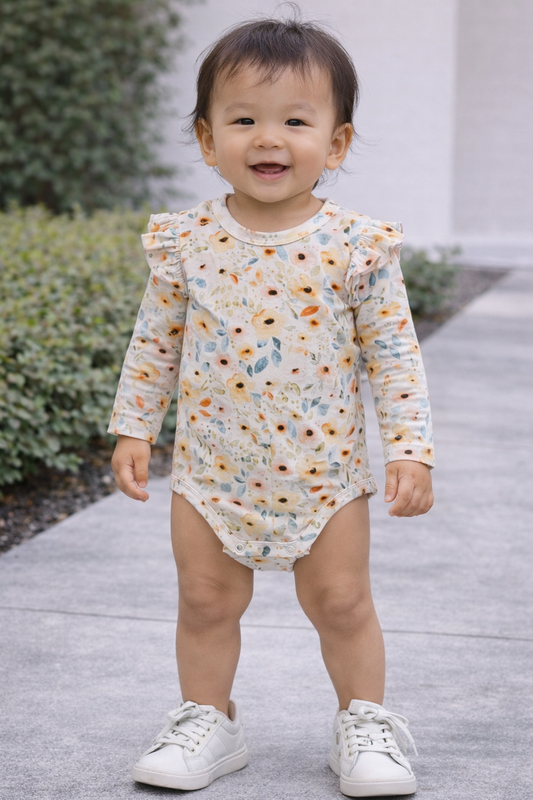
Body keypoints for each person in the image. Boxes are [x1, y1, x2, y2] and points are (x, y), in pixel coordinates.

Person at [107, 11, 434, 797]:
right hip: (211, 468)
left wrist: (410, 447)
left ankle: (363, 724)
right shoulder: (186, 243)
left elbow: (393, 354)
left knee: (342, 601)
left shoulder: (355, 246)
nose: (267, 139)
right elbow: (155, 341)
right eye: (243, 119)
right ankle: (206, 720)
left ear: (337, 142)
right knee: (204, 597)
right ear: (204, 137)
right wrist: (131, 427)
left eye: (295, 120)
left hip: (323, 474)